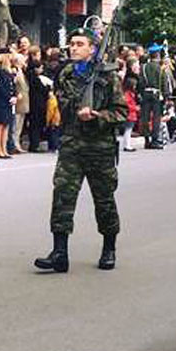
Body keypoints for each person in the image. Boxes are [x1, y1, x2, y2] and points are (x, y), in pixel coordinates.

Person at [34, 28, 127, 274]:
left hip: (99, 148)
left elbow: (122, 112)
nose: (73, 48)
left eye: (79, 44)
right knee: (62, 196)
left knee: (104, 199)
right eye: (72, 44)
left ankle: (109, 248)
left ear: (92, 49)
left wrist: (97, 115)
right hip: (71, 145)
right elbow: (60, 102)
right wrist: (73, 106)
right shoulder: (66, 73)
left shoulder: (108, 77)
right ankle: (59, 253)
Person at [139, 44, 171, 150]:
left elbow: (140, 82)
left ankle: (146, 139)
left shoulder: (143, 67)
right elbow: (164, 83)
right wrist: (166, 96)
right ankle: (154, 140)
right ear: (157, 54)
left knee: (145, 118)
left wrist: (140, 93)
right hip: (157, 95)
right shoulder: (160, 68)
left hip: (145, 94)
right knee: (156, 118)